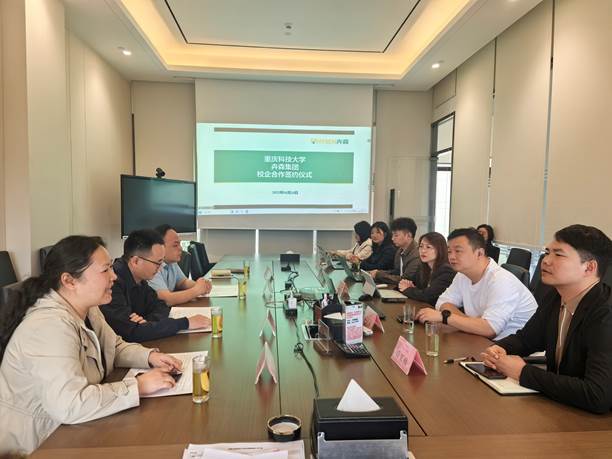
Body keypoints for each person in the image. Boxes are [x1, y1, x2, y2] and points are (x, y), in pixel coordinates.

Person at [0, 236, 182, 453]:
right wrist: (138, 386)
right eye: (105, 270)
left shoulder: (88, 308)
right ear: (69, 281)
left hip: (73, 429)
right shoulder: (48, 326)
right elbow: (70, 405)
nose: (114, 276)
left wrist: (149, 357)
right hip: (38, 445)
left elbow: (113, 347)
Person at [482, 224, 612, 414]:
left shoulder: (605, 314)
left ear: (589, 267)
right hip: (563, 408)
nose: (546, 261)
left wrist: (523, 372)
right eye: (547, 252)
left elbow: (597, 395)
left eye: (558, 255)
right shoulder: (555, 296)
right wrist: (501, 348)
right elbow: (527, 339)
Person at [416, 227, 537, 339]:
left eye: (458, 251)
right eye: (449, 251)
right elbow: (442, 302)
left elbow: (490, 329)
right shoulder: (462, 275)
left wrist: (446, 317)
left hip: (512, 349)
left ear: (479, 253)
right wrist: (471, 324)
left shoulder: (501, 280)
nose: (451, 257)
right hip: (482, 341)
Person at [100, 229, 210, 342]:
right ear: (136, 261)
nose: (160, 268)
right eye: (157, 263)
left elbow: (161, 306)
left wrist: (146, 323)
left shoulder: (140, 279)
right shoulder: (112, 284)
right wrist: (185, 323)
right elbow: (130, 332)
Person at [149, 224, 212, 305]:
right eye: (175, 245)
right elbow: (166, 300)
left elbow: (182, 282)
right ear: (159, 247)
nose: (181, 248)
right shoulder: (152, 266)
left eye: (180, 244)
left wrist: (202, 286)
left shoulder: (171, 262)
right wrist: (196, 290)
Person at [398, 232, 456, 306]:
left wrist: (408, 289)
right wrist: (407, 286)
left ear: (440, 249)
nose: (423, 251)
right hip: (423, 307)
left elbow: (427, 296)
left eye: (428, 247)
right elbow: (408, 282)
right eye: (421, 246)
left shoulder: (447, 271)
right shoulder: (423, 267)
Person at [372, 217, 420, 285]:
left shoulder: (417, 254)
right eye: (392, 235)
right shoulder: (399, 251)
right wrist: (378, 272)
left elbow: (405, 279)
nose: (392, 238)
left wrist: (379, 275)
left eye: (396, 235)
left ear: (408, 235)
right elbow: (397, 272)